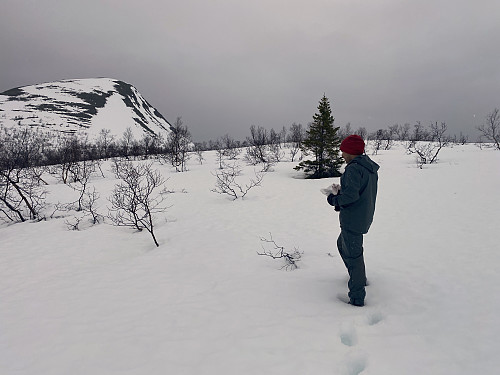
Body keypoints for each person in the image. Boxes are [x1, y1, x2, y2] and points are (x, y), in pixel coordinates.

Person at [327, 135, 379, 307]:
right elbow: (358, 191)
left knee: (354, 255)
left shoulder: (354, 169)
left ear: (350, 151)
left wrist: (333, 199)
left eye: (343, 150)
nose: (342, 154)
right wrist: (343, 191)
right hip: (362, 215)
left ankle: (357, 297)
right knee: (343, 245)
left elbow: (351, 196)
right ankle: (359, 278)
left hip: (353, 219)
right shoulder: (367, 167)